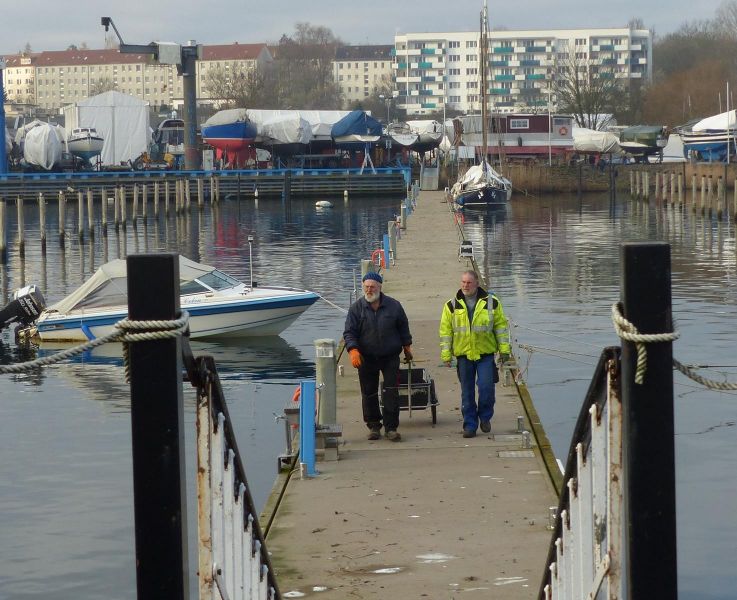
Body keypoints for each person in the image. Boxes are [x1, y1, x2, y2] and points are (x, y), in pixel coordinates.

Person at [439, 270, 510, 438]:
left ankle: (485, 417)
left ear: (477, 283)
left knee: (486, 388)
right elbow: (446, 331)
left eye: (469, 283)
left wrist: (504, 350)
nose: (465, 285)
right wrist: (446, 354)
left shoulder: (492, 303)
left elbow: (500, 327)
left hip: (485, 354)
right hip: (464, 355)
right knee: (467, 392)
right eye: (463, 282)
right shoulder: (451, 305)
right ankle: (470, 425)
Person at [343, 272, 413, 442]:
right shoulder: (356, 309)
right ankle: (374, 425)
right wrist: (353, 350)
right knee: (369, 393)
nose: (369, 290)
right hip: (366, 358)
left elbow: (403, 327)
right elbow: (349, 332)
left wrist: (407, 347)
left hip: (390, 357)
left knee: (391, 392)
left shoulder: (394, 306)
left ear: (380, 287)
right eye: (366, 287)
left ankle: (391, 428)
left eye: (372, 287)